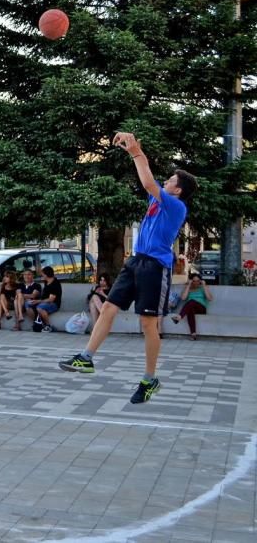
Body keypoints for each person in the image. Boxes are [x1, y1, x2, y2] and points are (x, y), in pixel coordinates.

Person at [60, 131, 197, 404]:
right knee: (108, 307)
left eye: (170, 180)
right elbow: (146, 176)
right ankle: (86, 358)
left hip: (155, 267)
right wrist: (135, 149)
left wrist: (135, 151)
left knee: (148, 324)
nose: (165, 181)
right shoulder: (157, 200)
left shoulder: (176, 207)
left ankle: (149, 379)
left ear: (177, 190)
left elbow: (147, 182)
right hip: (135, 262)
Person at [171, 273, 211, 340]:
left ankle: (179, 317)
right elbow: (183, 298)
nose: (196, 283)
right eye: (194, 281)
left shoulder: (202, 288)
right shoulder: (188, 289)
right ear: (191, 281)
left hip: (201, 309)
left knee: (191, 302)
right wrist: (188, 285)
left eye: (198, 281)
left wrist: (204, 285)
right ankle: (193, 334)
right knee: (190, 310)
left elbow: (209, 298)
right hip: (191, 307)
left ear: (200, 281)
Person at [34, 266, 61, 332]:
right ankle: (37, 324)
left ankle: (48, 326)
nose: (41, 275)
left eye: (42, 274)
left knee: (39, 307)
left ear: (47, 274)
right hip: (45, 302)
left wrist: (38, 301)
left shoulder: (55, 284)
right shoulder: (46, 282)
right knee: (29, 304)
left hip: (54, 304)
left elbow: (51, 299)